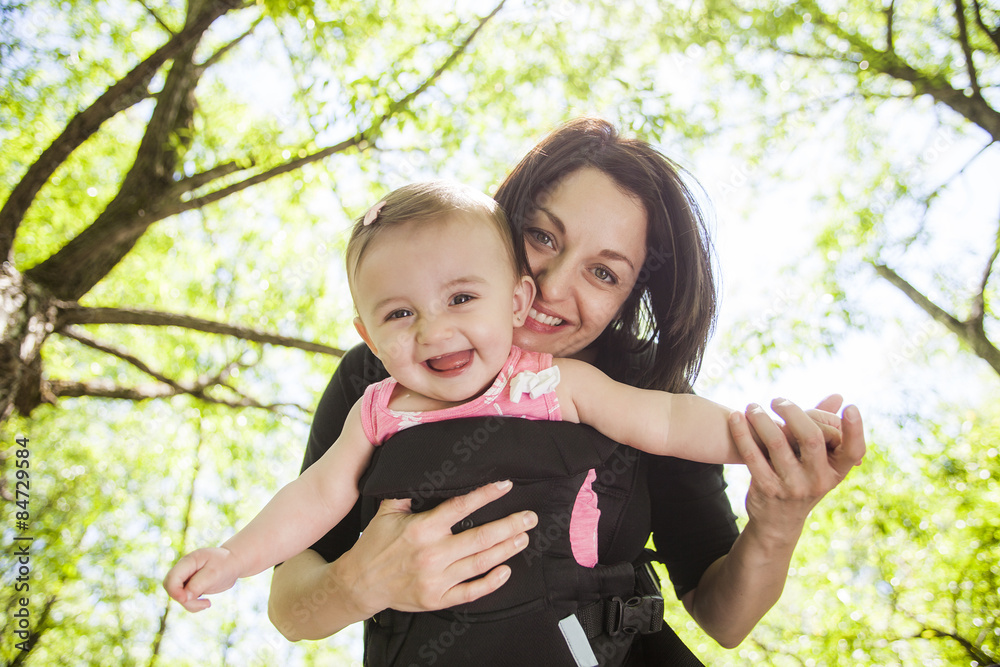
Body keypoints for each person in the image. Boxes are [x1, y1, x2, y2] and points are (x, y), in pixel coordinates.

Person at [266, 118, 866, 663]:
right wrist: (358, 584)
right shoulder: (379, 381)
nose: (551, 287)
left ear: (629, 299)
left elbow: (725, 618)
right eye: (543, 237)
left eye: (603, 272)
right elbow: (289, 606)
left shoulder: (646, 389)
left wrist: (782, 516)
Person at [163, 181, 839, 614]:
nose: (434, 327)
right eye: (399, 315)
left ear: (506, 296)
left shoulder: (551, 381)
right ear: (368, 334)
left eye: (603, 270)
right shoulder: (376, 405)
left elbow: (662, 420)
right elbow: (314, 498)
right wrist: (233, 557)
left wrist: (772, 441)